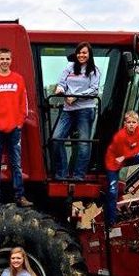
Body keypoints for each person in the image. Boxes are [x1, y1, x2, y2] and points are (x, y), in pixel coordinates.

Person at [0, 47, 32, 208]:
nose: (5, 62)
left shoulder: (18, 79)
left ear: (11, 60)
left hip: (14, 128)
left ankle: (20, 196)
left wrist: (19, 122)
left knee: (16, 164)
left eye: (7, 59)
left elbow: (23, 103)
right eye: (2, 59)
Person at [52, 42, 100, 180]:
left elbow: (94, 89)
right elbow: (61, 83)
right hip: (67, 109)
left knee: (83, 143)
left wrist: (77, 98)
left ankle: (79, 175)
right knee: (56, 138)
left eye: (84, 53)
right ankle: (62, 173)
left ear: (89, 55)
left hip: (85, 109)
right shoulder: (69, 67)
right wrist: (61, 91)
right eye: (79, 52)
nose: (81, 55)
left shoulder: (94, 70)